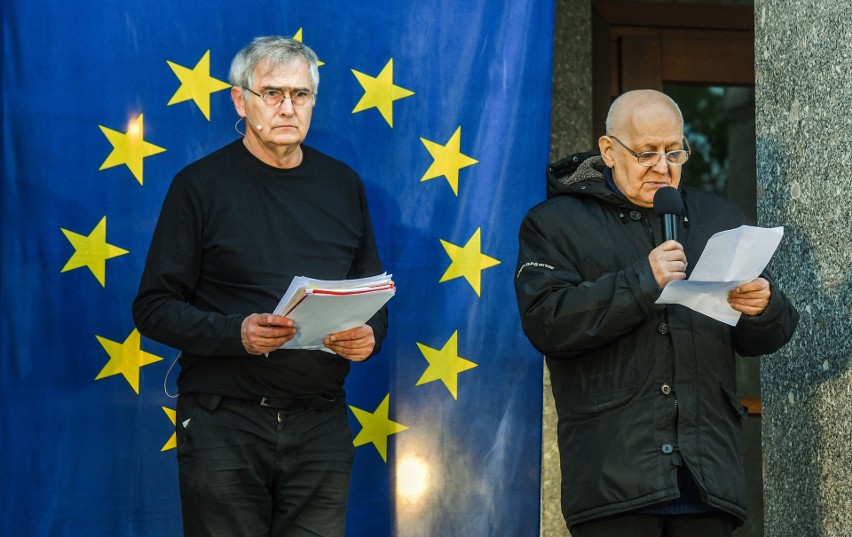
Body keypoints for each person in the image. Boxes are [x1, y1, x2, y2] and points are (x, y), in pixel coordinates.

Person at [132, 36, 388, 537]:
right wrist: (237, 334)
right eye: (272, 93)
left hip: (321, 422)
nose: (287, 107)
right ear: (239, 99)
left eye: (300, 94)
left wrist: (370, 336)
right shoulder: (199, 186)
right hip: (224, 423)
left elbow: (373, 294)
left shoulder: (343, 186)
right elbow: (153, 307)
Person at [514, 89, 798, 536]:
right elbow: (547, 322)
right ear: (608, 150)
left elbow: (766, 336)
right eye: (646, 153)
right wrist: (643, 281)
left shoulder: (719, 217)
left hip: (708, 478)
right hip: (614, 478)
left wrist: (764, 305)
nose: (663, 168)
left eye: (674, 152)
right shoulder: (554, 224)